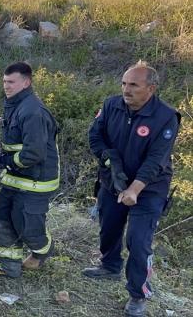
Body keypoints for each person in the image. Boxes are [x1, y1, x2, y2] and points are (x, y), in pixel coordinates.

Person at [85, 61, 180, 317]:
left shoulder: (166, 117)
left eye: (134, 85)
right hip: (111, 183)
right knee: (109, 229)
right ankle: (109, 265)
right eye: (124, 83)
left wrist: (134, 190)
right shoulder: (111, 105)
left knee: (138, 242)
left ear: (150, 89)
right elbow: (95, 136)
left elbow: (156, 161)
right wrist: (109, 158)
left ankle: (138, 295)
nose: (127, 90)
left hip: (148, 192)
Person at [0, 61, 59, 278]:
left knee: (28, 227)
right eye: (5, 81)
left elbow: (34, 153)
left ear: (26, 83)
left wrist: (5, 161)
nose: (6, 86)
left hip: (35, 181)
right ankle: (9, 266)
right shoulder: (14, 104)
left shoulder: (33, 111)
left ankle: (44, 250)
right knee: (4, 219)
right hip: (15, 177)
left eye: (11, 82)